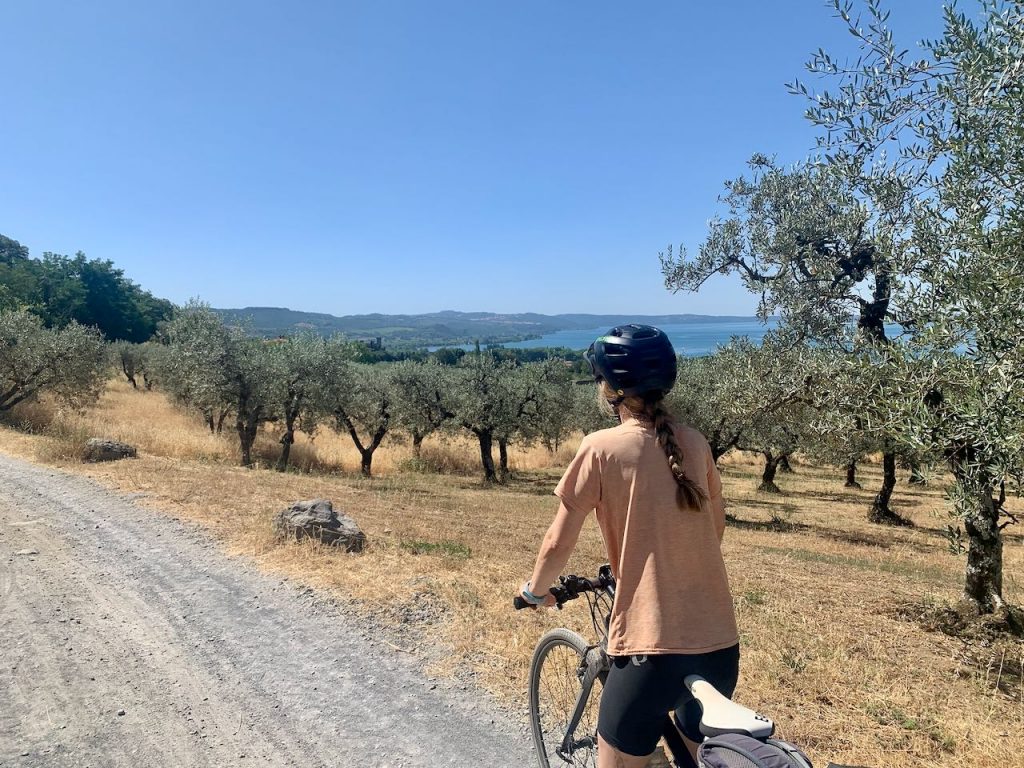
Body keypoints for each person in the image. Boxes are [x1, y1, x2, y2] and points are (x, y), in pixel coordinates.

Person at [519, 324, 739, 768]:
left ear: (611, 388)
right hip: (720, 644)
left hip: (650, 650)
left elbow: (558, 541)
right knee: (699, 757)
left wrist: (534, 591)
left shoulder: (600, 448)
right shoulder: (694, 442)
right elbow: (713, 530)